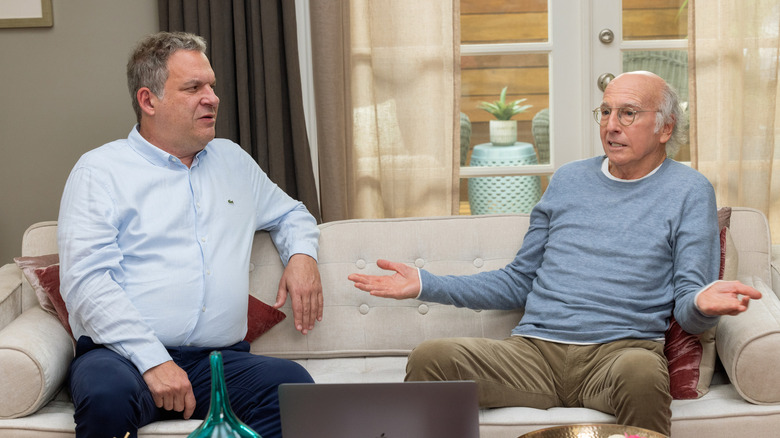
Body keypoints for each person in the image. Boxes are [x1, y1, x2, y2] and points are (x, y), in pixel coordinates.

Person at [348, 71, 762, 436]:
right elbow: (518, 281)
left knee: (642, 374)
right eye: (604, 112)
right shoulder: (569, 179)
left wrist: (704, 303)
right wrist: (424, 282)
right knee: (431, 357)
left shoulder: (689, 191)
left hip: (621, 354)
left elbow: (689, 307)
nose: (611, 126)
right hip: (534, 352)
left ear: (666, 128)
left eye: (628, 113)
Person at [57, 31, 323, 438]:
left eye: (212, 86)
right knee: (105, 396)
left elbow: (292, 213)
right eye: (194, 87)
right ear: (149, 100)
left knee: (291, 388)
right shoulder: (99, 171)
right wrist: (153, 361)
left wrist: (302, 256)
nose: (212, 98)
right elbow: (88, 283)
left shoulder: (233, 161)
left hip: (217, 362)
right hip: (121, 357)